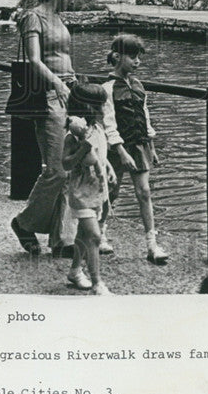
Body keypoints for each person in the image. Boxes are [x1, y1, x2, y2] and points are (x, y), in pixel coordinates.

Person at [9, 0, 82, 258]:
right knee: (56, 168)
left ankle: (62, 239)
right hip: (49, 95)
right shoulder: (33, 16)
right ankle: (24, 223)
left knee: (71, 166)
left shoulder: (58, 18)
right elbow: (35, 60)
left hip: (68, 91)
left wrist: (75, 84)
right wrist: (56, 83)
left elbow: (64, 57)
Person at [101, 34, 168, 265]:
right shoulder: (107, 88)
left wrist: (152, 145)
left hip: (139, 145)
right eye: (132, 57)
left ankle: (152, 245)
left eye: (139, 57)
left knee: (144, 192)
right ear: (118, 57)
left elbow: (145, 117)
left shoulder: (139, 86)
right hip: (118, 147)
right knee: (112, 191)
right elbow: (109, 123)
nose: (137, 61)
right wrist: (120, 151)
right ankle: (99, 233)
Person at [62, 82, 116, 295]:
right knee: (94, 235)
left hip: (97, 190)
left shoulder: (98, 129)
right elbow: (65, 164)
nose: (103, 110)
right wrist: (83, 145)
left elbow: (100, 155)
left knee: (84, 236)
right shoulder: (73, 136)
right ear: (85, 108)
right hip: (81, 191)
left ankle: (75, 270)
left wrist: (108, 167)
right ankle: (97, 283)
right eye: (99, 106)